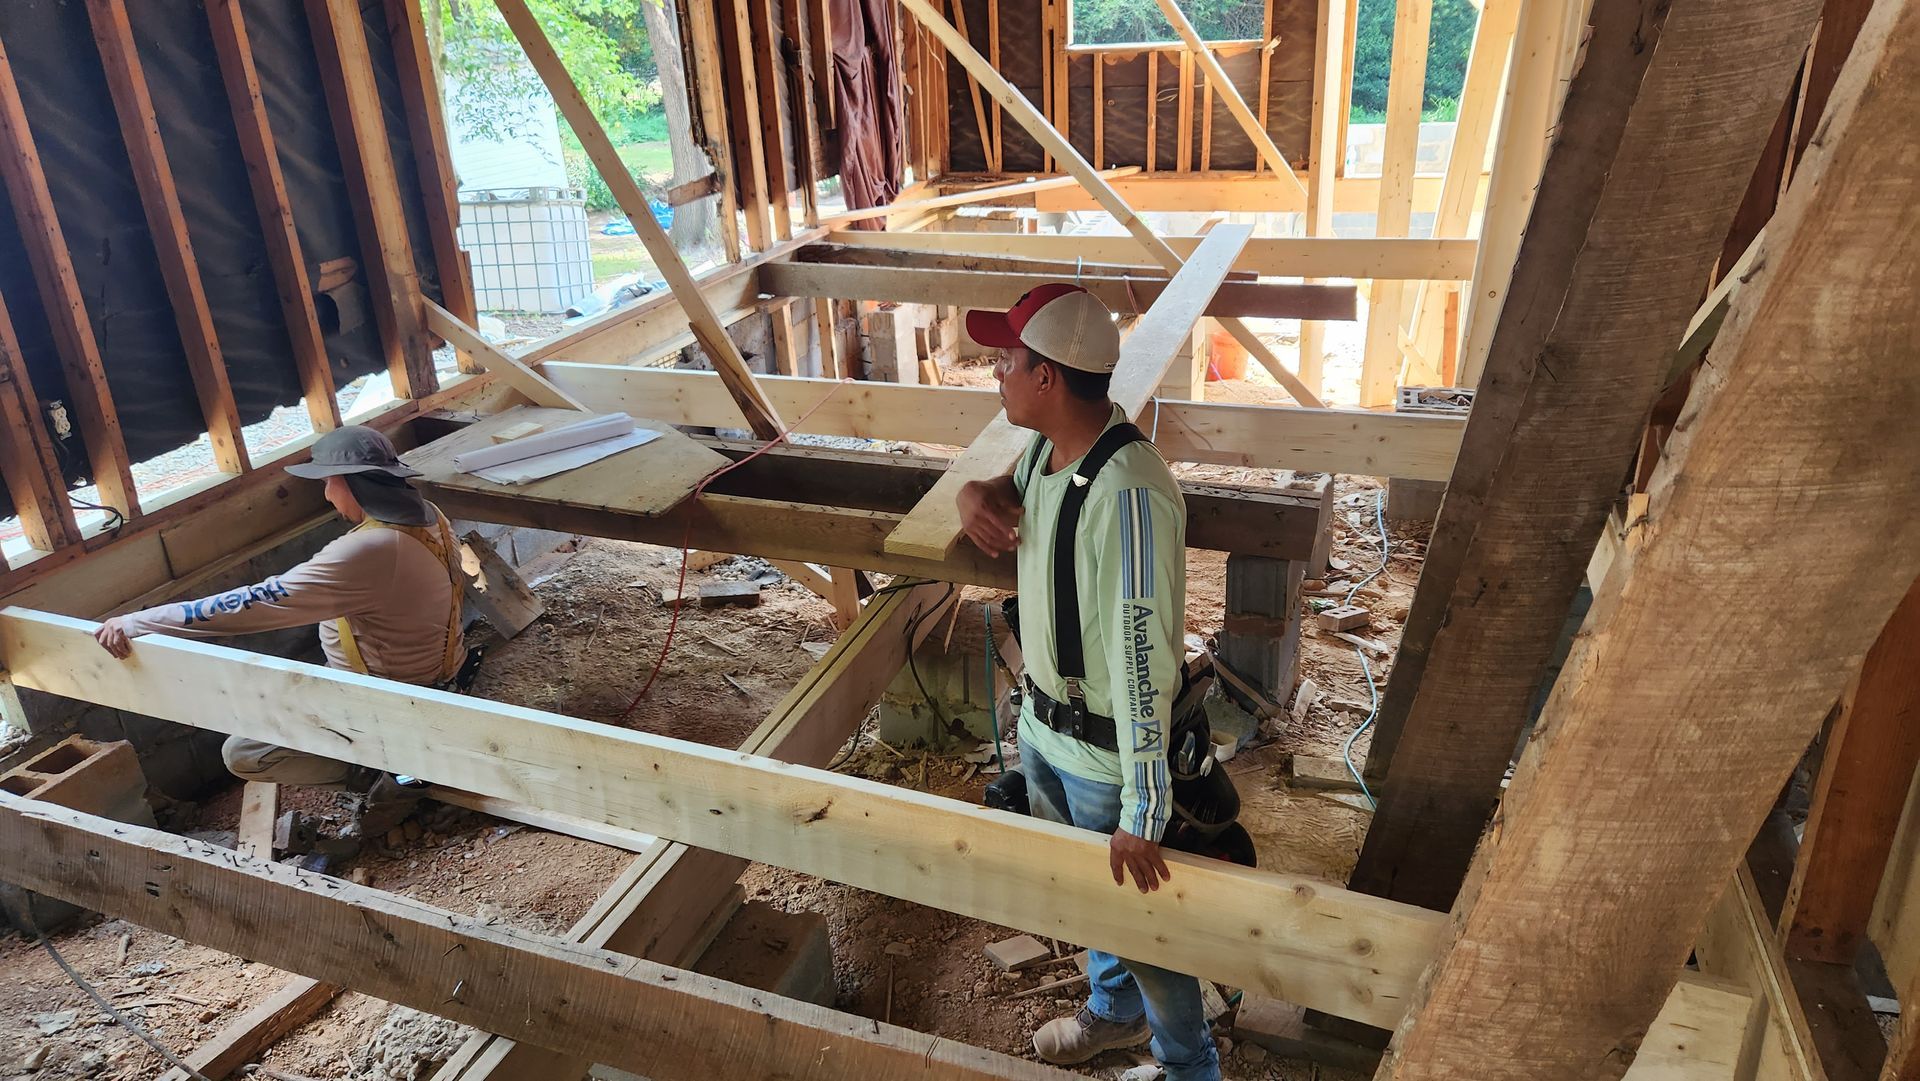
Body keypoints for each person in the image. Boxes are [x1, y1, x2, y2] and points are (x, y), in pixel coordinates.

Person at [956, 284, 1217, 1080]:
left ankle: (1190, 1066)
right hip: (1045, 732)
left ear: (1047, 378)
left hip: (1106, 763)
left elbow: (1144, 663)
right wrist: (976, 493)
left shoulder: (1131, 494)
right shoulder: (1050, 448)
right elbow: (1015, 487)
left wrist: (1144, 806)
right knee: (1091, 900)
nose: (996, 372)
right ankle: (1114, 1010)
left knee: (1145, 929)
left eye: (1007, 360)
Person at [92, 426, 465, 839]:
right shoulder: (426, 515)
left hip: (390, 700)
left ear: (352, 483)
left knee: (245, 753)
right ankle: (392, 761)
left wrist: (139, 622)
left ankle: (389, 776)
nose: (327, 495)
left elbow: (254, 603)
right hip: (432, 681)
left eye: (329, 482)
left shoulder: (372, 549)